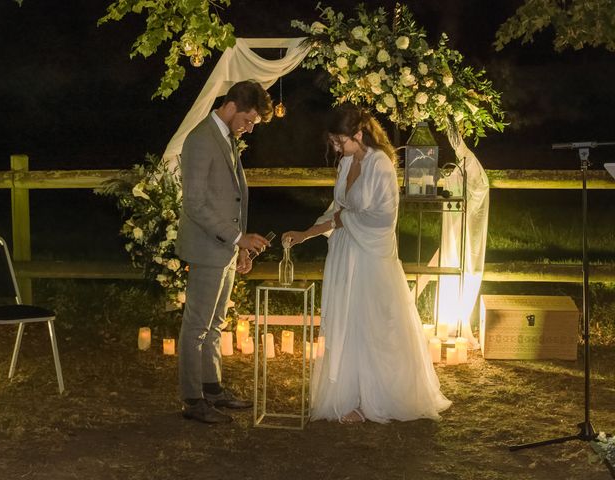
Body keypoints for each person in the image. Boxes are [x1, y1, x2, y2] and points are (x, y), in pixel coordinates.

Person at [282, 104, 452, 424]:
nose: (336, 148)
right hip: (346, 256)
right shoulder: (347, 163)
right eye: (333, 142)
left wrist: (344, 219)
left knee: (373, 327)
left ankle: (375, 397)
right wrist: (307, 234)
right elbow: (338, 209)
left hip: (371, 258)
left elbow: (383, 219)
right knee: (347, 324)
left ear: (359, 135)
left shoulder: (381, 165)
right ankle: (351, 393)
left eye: (340, 141)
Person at [176, 80, 273, 424]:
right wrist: (237, 238)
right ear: (232, 107)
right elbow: (195, 203)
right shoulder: (201, 140)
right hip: (206, 247)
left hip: (226, 248)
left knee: (215, 324)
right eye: (248, 121)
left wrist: (241, 247)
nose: (248, 129)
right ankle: (191, 399)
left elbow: (235, 198)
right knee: (197, 326)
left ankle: (212, 388)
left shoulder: (227, 139)